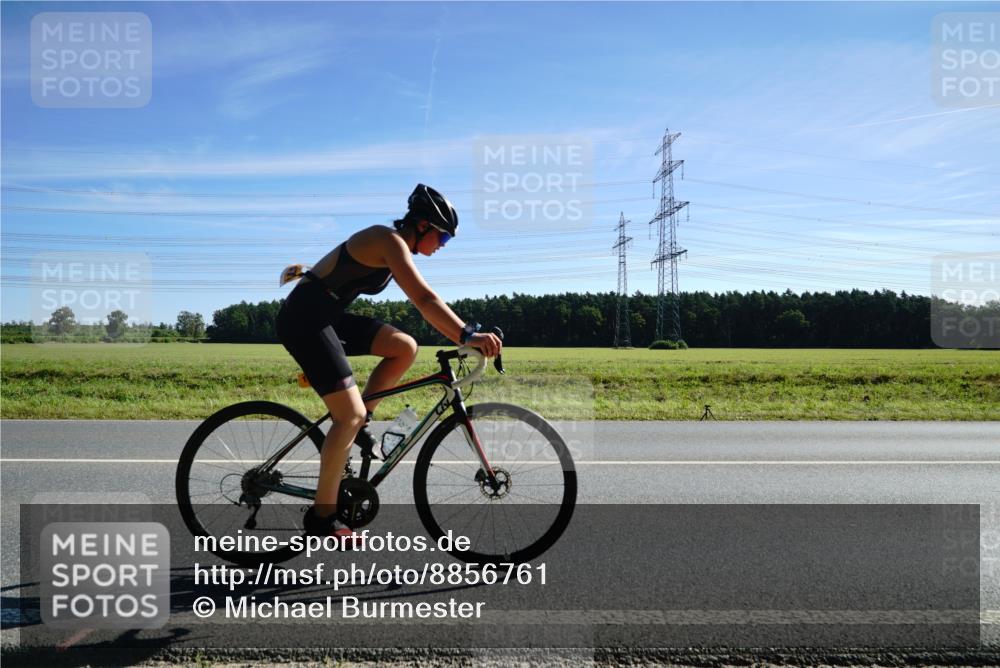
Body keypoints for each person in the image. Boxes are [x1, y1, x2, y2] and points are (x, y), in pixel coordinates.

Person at [276, 184, 503, 540]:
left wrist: (465, 332)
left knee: (404, 347)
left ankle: (362, 420)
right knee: (345, 416)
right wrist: (466, 336)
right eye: (443, 240)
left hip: (324, 316)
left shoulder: (393, 245)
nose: (441, 248)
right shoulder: (388, 241)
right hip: (304, 320)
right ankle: (323, 516)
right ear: (424, 226)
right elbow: (424, 299)